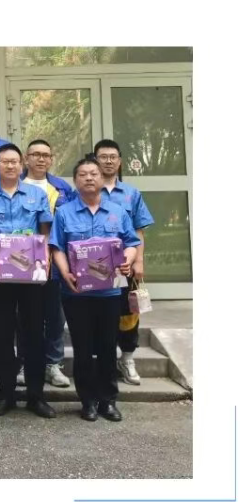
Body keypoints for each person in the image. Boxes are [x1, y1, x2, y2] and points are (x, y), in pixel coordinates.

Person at [50, 157, 140, 422]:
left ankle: (108, 400)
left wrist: (128, 260)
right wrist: (65, 272)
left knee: (107, 346)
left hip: (109, 293)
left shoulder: (118, 212)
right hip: (76, 293)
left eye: (93, 173)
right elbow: (57, 247)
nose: (89, 178)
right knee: (82, 348)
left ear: (102, 178)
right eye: (83, 174)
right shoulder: (64, 212)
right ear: (75, 181)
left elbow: (131, 242)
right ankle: (87, 401)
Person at [0, 143, 56, 418]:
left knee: (34, 334)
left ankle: (36, 396)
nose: (10, 165)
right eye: (5, 162)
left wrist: (45, 261)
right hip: (0, 277)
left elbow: (45, 232)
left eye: (15, 161)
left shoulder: (36, 194)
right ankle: (5, 394)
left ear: (22, 165)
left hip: (32, 277)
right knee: (3, 335)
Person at [93, 139, 154, 386]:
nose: (108, 161)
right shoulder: (87, 189)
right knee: (100, 313)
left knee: (129, 312)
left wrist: (139, 261)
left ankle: (127, 358)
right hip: (96, 267)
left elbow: (139, 230)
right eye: (103, 157)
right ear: (95, 160)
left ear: (119, 162)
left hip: (125, 266)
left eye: (113, 157)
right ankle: (103, 362)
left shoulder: (131, 193)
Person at [16, 139, 74, 388]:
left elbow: (70, 220)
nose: (41, 159)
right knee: (25, 317)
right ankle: (24, 363)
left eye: (45, 155)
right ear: (26, 158)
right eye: (35, 154)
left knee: (54, 315)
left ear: (51, 159)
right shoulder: (14, 184)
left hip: (55, 260)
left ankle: (53, 364)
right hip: (22, 262)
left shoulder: (61, 187)